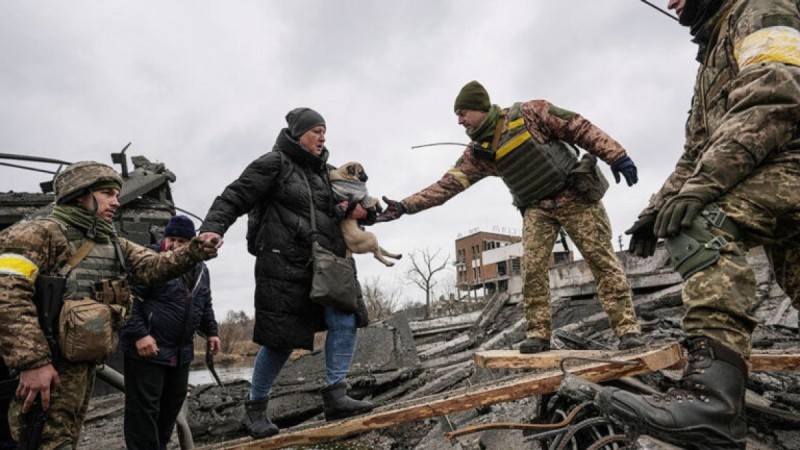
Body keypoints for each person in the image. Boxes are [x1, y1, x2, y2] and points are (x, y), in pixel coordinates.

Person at [596, 0, 800, 448]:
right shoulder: (712, 54)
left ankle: (713, 406)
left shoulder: (762, 7)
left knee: (701, 224)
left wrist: (700, 190)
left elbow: (775, 92)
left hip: (790, 163)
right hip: (775, 175)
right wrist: (656, 209)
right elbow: (697, 150)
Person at [377, 81, 644, 354]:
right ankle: (538, 334)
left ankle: (627, 331)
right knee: (532, 269)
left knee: (602, 262)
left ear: (480, 108)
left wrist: (616, 155)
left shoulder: (530, 113)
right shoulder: (478, 153)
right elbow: (445, 186)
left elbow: (578, 126)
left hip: (575, 197)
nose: (459, 121)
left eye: (463, 112)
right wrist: (404, 206)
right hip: (538, 209)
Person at [0, 161, 217, 450]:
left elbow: (153, 265)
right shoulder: (35, 235)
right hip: (44, 368)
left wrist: (197, 249)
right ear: (80, 194)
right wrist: (33, 361)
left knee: (65, 439)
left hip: (82, 366)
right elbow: (8, 296)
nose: (116, 201)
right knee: (39, 440)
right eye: (106, 193)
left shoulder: (111, 242)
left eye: (117, 193)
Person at [198, 107, 373, 439]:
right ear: (297, 133)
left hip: (330, 262)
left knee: (345, 319)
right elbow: (233, 196)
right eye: (315, 131)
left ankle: (336, 394)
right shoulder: (273, 163)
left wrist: (369, 212)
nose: (322, 137)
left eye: (325, 131)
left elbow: (352, 205)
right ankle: (255, 408)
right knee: (280, 340)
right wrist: (212, 228)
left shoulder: (330, 173)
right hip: (284, 265)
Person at [120, 214, 221, 450]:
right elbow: (127, 300)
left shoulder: (201, 268)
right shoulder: (147, 261)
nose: (175, 245)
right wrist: (139, 334)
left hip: (180, 353)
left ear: (192, 243)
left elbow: (204, 303)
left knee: (170, 409)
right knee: (143, 412)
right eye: (171, 239)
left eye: (182, 241)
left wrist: (212, 332)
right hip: (147, 350)